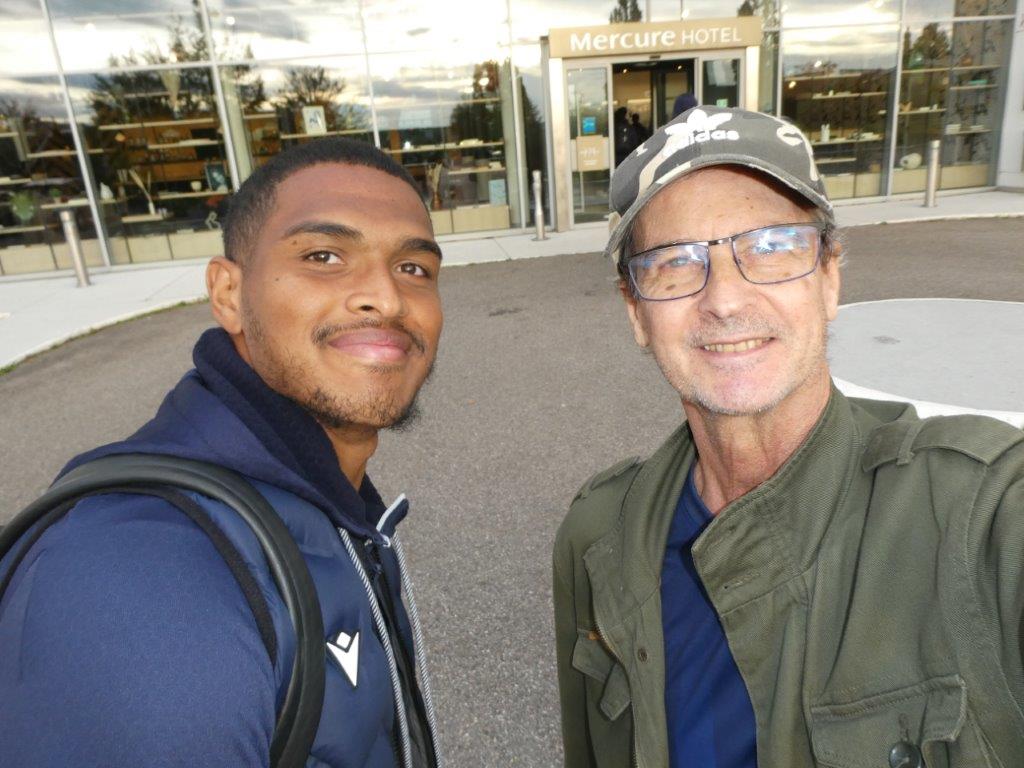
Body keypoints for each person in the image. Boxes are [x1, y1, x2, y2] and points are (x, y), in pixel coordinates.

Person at [553, 106, 1024, 768]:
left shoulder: (981, 510)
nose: (724, 299)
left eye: (772, 247)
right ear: (636, 311)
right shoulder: (599, 534)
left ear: (830, 278)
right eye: (675, 262)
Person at [0, 138, 445, 768]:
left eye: (414, 268)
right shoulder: (139, 578)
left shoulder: (321, 501)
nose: (387, 297)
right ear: (229, 293)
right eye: (323, 256)